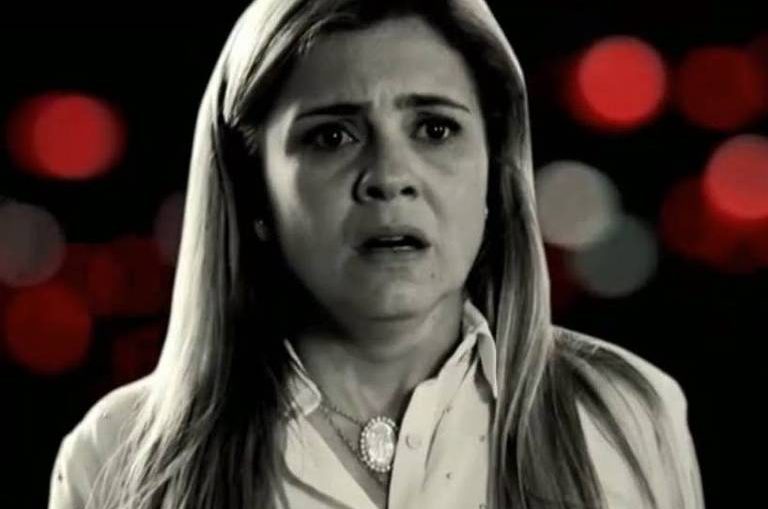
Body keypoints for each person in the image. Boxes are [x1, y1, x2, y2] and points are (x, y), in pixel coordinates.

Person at [48, 0, 705, 508]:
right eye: (332, 136)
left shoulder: (624, 413)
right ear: (253, 192)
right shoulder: (117, 455)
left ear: (494, 176)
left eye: (435, 128)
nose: (390, 176)